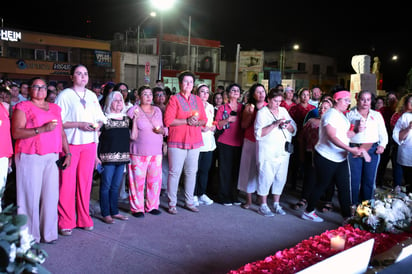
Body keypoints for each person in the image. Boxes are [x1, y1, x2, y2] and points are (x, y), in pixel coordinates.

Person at [11, 77, 71, 244]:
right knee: (29, 197)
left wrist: (68, 153)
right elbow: (16, 132)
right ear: (30, 89)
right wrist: (41, 129)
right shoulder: (22, 107)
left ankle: (49, 233)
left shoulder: (54, 108)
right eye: (36, 87)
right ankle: (29, 236)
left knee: (51, 196)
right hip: (30, 156)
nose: (40, 90)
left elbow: (61, 133)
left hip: (52, 156)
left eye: (43, 87)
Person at [55, 64, 107, 236]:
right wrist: (79, 125)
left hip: (89, 144)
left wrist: (96, 125)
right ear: (71, 77)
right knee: (67, 184)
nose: (83, 76)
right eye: (79, 73)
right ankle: (66, 221)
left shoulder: (92, 95)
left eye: (85, 73)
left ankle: (84, 218)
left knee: (85, 184)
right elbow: (58, 122)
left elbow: (100, 119)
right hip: (70, 145)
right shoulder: (65, 95)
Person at [301, 90, 364, 223]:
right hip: (326, 156)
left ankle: (347, 217)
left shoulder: (341, 115)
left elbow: (345, 135)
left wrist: (356, 131)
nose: (348, 103)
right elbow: (332, 136)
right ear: (337, 100)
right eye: (345, 100)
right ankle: (308, 211)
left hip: (339, 157)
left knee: (344, 186)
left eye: (349, 100)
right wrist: (350, 149)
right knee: (321, 184)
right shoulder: (330, 115)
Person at [163, 71, 207, 214]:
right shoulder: (174, 99)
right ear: (180, 83)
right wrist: (186, 121)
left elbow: (204, 120)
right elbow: (168, 121)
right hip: (177, 140)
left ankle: (189, 201)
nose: (188, 84)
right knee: (174, 172)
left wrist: (196, 122)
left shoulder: (197, 100)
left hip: (194, 140)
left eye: (191, 82)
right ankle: (172, 203)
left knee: (191, 172)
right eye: (185, 81)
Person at [255, 89, 296, 216]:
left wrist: (287, 125)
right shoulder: (262, 113)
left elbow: (293, 129)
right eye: (275, 101)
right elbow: (258, 134)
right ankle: (263, 204)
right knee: (266, 177)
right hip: (268, 151)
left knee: (281, 177)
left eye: (279, 101)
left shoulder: (283, 111)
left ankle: (276, 203)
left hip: (283, 151)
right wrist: (274, 124)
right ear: (268, 100)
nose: (277, 104)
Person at [127, 86, 166, 217]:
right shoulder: (134, 110)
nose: (149, 97)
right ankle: (137, 207)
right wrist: (135, 106)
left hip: (156, 151)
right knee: (137, 181)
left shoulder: (157, 110)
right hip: (138, 151)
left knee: (154, 180)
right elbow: (128, 115)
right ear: (139, 96)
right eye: (145, 94)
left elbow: (162, 127)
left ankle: (152, 205)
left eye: (150, 94)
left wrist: (162, 131)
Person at [346, 90, 387, 206]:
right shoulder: (350, 115)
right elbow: (344, 134)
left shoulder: (376, 115)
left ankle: (367, 206)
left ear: (371, 101)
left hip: (372, 151)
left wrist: (382, 145)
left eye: (368, 100)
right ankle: (352, 205)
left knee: (369, 180)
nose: (365, 102)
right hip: (355, 150)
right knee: (354, 180)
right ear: (358, 100)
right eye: (363, 99)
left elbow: (383, 133)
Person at [293, 98, 333, 211]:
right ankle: (304, 198)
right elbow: (301, 139)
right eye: (320, 107)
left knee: (328, 178)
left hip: (328, 155)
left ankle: (328, 201)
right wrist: (301, 154)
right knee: (310, 176)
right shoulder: (311, 121)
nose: (322, 110)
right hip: (311, 154)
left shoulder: (334, 123)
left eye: (325, 108)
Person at [98, 91, 130, 224]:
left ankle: (114, 211)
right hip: (107, 157)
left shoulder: (126, 118)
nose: (119, 102)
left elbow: (132, 136)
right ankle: (105, 213)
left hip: (122, 157)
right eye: (116, 100)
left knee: (116, 186)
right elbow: (96, 137)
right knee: (106, 185)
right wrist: (96, 156)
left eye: (120, 100)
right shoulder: (104, 118)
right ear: (109, 102)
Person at [237, 83, 267, 209]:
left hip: (265, 142)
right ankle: (248, 200)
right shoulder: (249, 107)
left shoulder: (269, 106)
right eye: (258, 92)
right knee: (248, 170)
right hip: (250, 141)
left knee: (263, 171)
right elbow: (243, 126)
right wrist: (250, 114)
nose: (261, 94)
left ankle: (262, 199)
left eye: (263, 91)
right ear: (253, 95)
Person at [215, 83, 244, 206]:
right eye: (233, 90)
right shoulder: (223, 108)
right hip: (225, 142)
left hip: (239, 142)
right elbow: (217, 124)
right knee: (224, 170)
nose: (235, 92)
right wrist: (227, 120)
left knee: (236, 170)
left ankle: (234, 195)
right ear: (228, 93)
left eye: (237, 90)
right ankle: (223, 196)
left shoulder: (243, 108)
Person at [287, 87, 315, 190]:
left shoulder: (312, 109)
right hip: (296, 136)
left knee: (307, 161)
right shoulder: (294, 108)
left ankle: (305, 185)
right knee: (295, 160)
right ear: (299, 96)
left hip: (308, 138)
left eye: (307, 95)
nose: (305, 97)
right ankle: (292, 183)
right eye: (303, 94)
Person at [193, 83, 216, 206]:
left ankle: (202, 193)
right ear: (197, 93)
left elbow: (212, 121)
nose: (205, 94)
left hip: (208, 142)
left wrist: (213, 127)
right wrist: (200, 128)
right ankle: (193, 194)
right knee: (194, 170)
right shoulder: (193, 106)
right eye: (202, 91)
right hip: (197, 141)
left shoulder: (211, 106)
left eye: (207, 92)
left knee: (205, 170)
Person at [392, 94, 412, 193]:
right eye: (411, 102)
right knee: (409, 180)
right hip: (407, 154)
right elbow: (398, 136)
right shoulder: (404, 117)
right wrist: (408, 128)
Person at [153, 86, 169, 192]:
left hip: (168, 138)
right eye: (158, 95)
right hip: (155, 139)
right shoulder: (152, 109)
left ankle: (163, 186)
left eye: (162, 95)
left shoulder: (168, 107)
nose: (160, 97)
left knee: (165, 165)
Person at [0, 87, 13, 209]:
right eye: (1, 97)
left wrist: (9, 155)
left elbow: (6, 135)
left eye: (6, 97)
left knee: (0, 188)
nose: (4, 100)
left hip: (3, 154)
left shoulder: (6, 111)